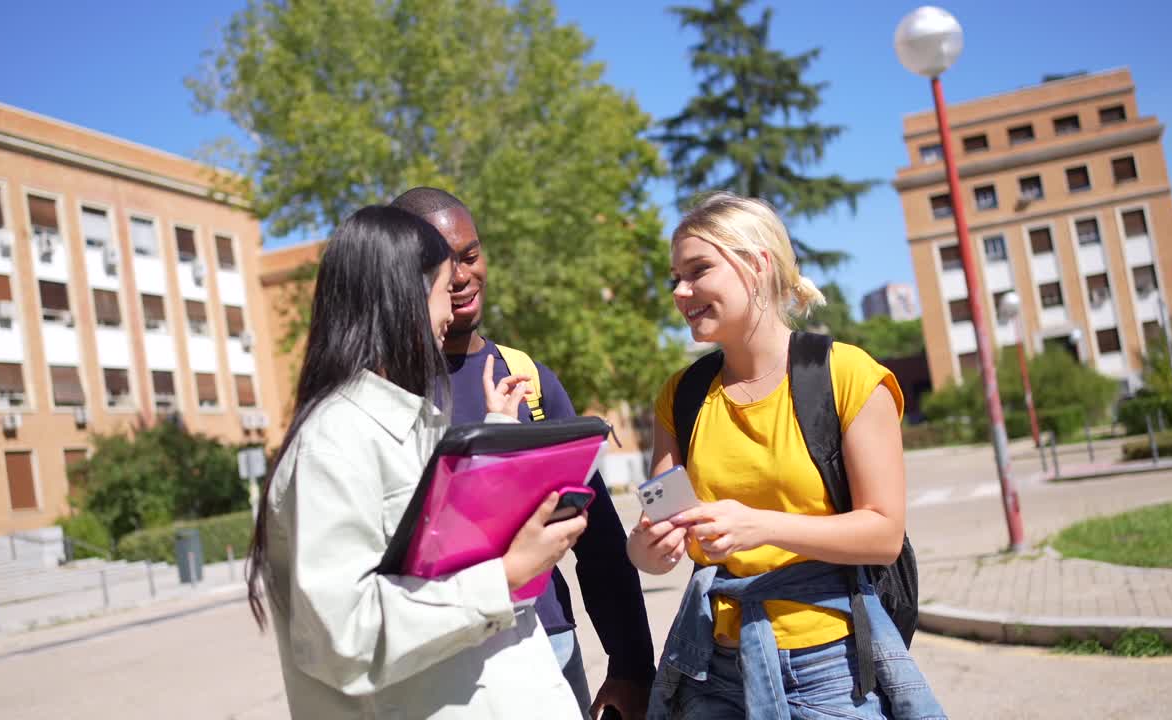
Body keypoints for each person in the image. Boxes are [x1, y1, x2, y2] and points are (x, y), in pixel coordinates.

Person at [245, 205, 588, 719]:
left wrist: (497, 436)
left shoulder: (409, 423)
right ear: (401, 299)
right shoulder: (333, 443)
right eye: (440, 290)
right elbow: (343, 636)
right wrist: (507, 576)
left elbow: (441, 548)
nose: (450, 311)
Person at [627, 194, 945, 719]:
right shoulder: (680, 396)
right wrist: (648, 547)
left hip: (830, 667)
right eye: (674, 278)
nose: (680, 292)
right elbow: (657, 530)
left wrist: (760, 527)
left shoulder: (849, 376)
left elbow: (884, 535)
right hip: (710, 665)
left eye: (698, 270)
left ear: (757, 264)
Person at [391, 187, 657, 719]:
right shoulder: (387, 389)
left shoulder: (526, 378)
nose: (462, 276)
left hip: (551, 646)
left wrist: (630, 666)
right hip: (443, 665)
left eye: (470, 255)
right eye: (442, 265)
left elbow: (597, 536)